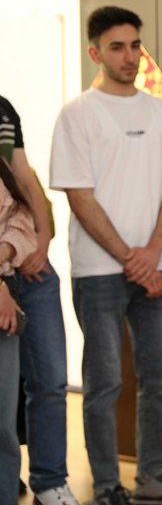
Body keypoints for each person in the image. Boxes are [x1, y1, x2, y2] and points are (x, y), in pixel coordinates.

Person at [49, 6, 162, 504]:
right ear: (95, 53)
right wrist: (132, 258)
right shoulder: (77, 114)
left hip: (159, 268)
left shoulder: (160, 112)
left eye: (135, 45)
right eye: (117, 47)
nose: (130, 56)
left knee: (160, 379)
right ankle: (107, 486)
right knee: (104, 384)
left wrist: (152, 253)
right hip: (98, 272)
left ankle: (152, 479)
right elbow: (80, 197)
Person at [0, 95, 77, 504]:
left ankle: (50, 482)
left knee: (50, 379)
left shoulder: (4, 110)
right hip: (5, 268)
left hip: (30, 263)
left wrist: (41, 242)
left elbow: (23, 178)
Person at [0, 158, 37, 505]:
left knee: (3, 421)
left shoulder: (3, 171)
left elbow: (23, 223)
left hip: (5, 296)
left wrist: (4, 251)